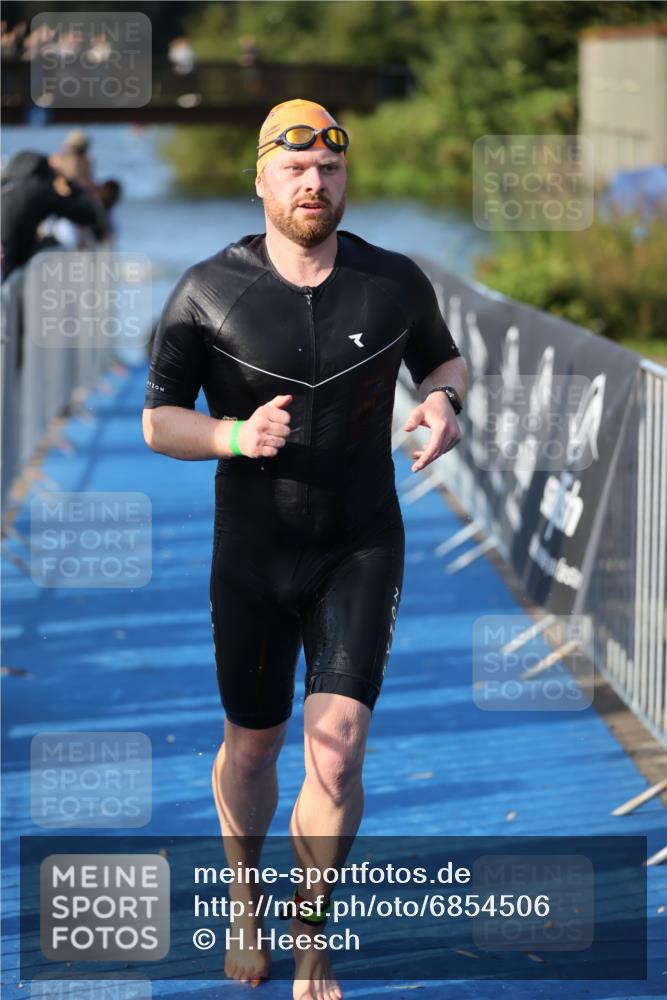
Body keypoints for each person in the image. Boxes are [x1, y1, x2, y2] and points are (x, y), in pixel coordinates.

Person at [142, 98, 467, 1000]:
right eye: (294, 169)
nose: (313, 183)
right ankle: (244, 899)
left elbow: (442, 362)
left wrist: (444, 403)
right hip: (253, 551)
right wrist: (233, 437)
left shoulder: (391, 280)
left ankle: (310, 930)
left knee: (338, 749)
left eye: (328, 168)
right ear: (261, 179)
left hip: (360, 543)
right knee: (253, 747)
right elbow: (158, 421)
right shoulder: (208, 290)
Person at [1, 150, 106, 281]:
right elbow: (90, 214)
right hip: (12, 269)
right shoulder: (40, 189)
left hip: (5, 264)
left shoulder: (6, 185)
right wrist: (68, 180)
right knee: (54, 246)